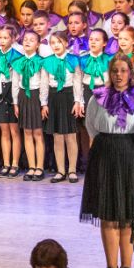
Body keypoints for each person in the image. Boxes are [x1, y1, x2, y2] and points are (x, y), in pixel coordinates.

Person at [80, 56, 134, 268]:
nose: (119, 75)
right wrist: (108, 143)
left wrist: (129, 146)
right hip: (105, 154)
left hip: (131, 154)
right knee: (108, 213)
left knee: (127, 214)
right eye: (115, 70)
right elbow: (91, 126)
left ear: (130, 73)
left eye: (123, 70)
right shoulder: (97, 97)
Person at [43, 32, 84, 184]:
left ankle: (72, 170)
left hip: (69, 97)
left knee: (70, 136)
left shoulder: (73, 59)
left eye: (59, 42)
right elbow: (44, 83)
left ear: (66, 43)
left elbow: (78, 81)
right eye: (53, 43)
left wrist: (78, 101)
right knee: (57, 137)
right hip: (54, 97)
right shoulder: (47, 61)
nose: (56, 45)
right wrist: (44, 103)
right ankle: (60, 170)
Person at [12, 30, 47, 182]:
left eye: (32, 40)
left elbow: (44, 83)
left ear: (38, 44)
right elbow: (15, 83)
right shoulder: (18, 62)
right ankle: (31, 166)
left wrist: (44, 102)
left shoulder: (41, 61)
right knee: (27, 132)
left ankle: (40, 167)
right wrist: (15, 102)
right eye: (25, 39)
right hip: (23, 96)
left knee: (37, 133)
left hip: (36, 96)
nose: (27, 42)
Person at [0, 25, 22, 178]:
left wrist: (16, 101)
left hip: (12, 92)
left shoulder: (17, 55)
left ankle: (15, 163)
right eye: (0, 38)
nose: (2, 40)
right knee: (4, 131)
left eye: (6, 38)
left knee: (14, 130)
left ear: (13, 39)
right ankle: (6, 163)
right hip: (0, 93)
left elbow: (17, 79)